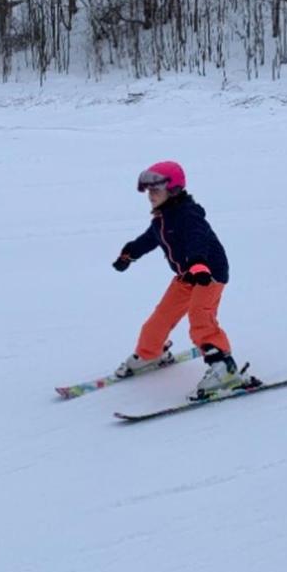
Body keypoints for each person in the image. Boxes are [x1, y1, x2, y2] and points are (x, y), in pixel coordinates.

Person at [111, 160, 255, 398]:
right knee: (159, 319)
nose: (150, 195)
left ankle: (224, 367)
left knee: (200, 318)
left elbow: (198, 239)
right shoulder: (161, 219)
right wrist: (129, 254)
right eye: (148, 190)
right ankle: (150, 353)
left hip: (208, 274)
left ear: (174, 189)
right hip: (186, 276)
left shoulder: (188, 215)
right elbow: (148, 240)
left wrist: (198, 264)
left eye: (156, 189)